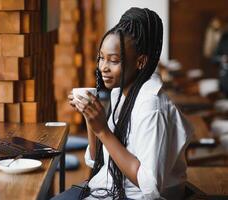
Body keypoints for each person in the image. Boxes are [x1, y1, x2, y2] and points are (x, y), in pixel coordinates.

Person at [52, 7, 192, 200]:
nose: (103, 67)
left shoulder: (151, 106)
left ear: (140, 62)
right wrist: (90, 118)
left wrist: (103, 130)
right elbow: (96, 160)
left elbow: (150, 185)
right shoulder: (121, 93)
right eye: (101, 58)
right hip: (110, 187)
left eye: (114, 60)